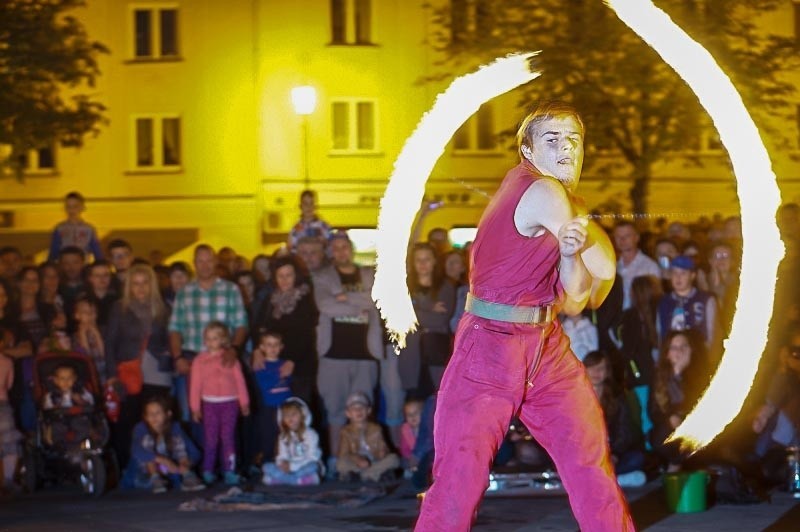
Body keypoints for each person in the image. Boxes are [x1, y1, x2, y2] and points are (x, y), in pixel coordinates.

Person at [415, 102, 633, 530]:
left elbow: (577, 298)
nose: (566, 148)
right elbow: (601, 273)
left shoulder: (568, 202)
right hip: (490, 346)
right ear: (528, 152)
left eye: (573, 139)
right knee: (461, 477)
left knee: (588, 459)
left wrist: (574, 252)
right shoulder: (545, 192)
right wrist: (581, 246)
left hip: (545, 345)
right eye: (552, 140)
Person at [313, 231, 382, 457]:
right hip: (333, 354)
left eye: (345, 246)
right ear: (331, 252)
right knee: (335, 413)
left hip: (365, 353)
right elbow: (325, 305)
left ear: (351, 249)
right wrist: (358, 305)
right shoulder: (323, 276)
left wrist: (343, 298)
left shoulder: (368, 274)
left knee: (362, 411)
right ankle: (337, 460)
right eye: (336, 247)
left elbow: (375, 299)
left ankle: (363, 459)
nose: (341, 251)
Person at [189, 321, 250, 485]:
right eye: (207, 338)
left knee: (228, 437)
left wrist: (244, 402)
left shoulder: (231, 358)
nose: (211, 342)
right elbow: (195, 385)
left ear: (223, 340)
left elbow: (240, 381)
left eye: (215, 338)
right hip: (209, 404)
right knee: (210, 438)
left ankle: (229, 470)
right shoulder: (199, 361)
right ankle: (208, 470)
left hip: (230, 403)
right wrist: (195, 408)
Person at [583, 351, 646, 488]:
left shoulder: (617, 398)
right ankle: (613, 480)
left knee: (637, 459)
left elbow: (624, 431)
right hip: (586, 454)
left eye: (601, 368)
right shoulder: (574, 396)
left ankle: (597, 480)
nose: (596, 372)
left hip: (611, 453)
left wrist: (614, 455)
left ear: (607, 373)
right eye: (592, 367)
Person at [649, 330, 709, 472]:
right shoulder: (659, 377)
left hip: (692, 426)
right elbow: (654, 412)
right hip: (667, 427)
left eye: (684, 346)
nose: (680, 351)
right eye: (675, 347)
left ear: (691, 350)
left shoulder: (699, 375)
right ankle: (674, 468)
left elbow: (701, 405)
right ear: (667, 353)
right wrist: (670, 418)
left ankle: (676, 469)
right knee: (662, 436)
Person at [126, 396, 205, 493]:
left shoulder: (175, 428)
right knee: (147, 440)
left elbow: (194, 452)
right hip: (142, 473)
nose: (154, 416)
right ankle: (155, 478)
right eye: (150, 414)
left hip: (165, 471)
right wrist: (163, 460)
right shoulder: (141, 429)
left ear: (168, 414)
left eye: (158, 413)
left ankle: (188, 476)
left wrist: (184, 465)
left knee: (177, 441)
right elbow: (136, 450)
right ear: (145, 417)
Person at [656, 255, 719, 352]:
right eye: (674, 273)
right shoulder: (663, 301)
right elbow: (660, 334)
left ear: (692, 275)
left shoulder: (706, 300)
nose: (678, 277)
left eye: (683, 273)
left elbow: (712, 335)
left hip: (698, 357)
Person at [251, 331, 293, 466]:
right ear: (262, 347)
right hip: (269, 406)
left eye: (276, 345)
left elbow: (289, 381)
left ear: (281, 347)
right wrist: (279, 375)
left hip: (285, 406)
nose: (273, 348)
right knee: (269, 435)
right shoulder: (260, 364)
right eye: (269, 345)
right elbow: (264, 383)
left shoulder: (285, 363)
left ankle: (287, 461)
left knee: (286, 434)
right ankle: (267, 462)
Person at [336, 392, 399, 482]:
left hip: (373, 462)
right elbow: (344, 453)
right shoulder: (346, 431)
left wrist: (382, 452)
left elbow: (384, 448)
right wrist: (357, 459)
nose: (358, 411)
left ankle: (364, 474)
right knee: (340, 464)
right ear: (348, 413)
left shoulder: (376, 429)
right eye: (354, 409)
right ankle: (373, 474)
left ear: (369, 410)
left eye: (362, 408)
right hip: (356, 463)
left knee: (393, 459)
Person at [262, 397, 322, 486]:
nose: (290, 418)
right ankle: (297, 481)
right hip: (288, 468)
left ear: (303, 414)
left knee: (313, 466)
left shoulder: (311, 434)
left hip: (304, 466)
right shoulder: (283, 436)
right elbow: (282, 455)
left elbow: (312, 457)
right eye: (286, 415)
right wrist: (282, 464)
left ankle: (283, 480)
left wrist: (293, 466)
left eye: (293, 414)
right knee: (266, 467)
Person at [613, 221, 660, 311]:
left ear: (637, 238)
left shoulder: (649, 267)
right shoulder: (612, 267)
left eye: (627, 236)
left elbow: (655, 300)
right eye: (618, 237)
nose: (622, 240)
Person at [48, 191, 104, 261]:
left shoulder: (89, 229)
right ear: (65, 208)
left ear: (82, 207)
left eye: (75, 206)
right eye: (68, 207)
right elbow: (53, 252)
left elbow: (97, 253)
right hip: (64, 267)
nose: (71, 210)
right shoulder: (59, 228)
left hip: (83, 267)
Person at [0, 350, 21, 491]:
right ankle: (8, 478)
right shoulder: (6, 361)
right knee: (9, 442)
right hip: (2, 403)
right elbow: (9, 384)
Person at [399, 399, 423, 472]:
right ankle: (414, 469)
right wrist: (410, 457)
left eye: (415, 413)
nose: (412, 416)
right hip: (412, 456)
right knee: (402, 462)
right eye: (409, 415)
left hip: (425, 456)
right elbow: (404, 449)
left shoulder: (428, 427)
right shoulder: (405, 430)